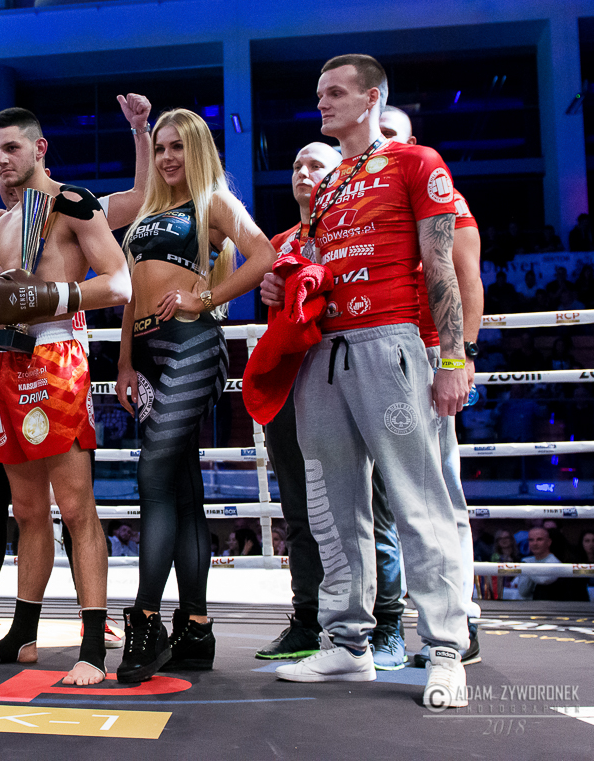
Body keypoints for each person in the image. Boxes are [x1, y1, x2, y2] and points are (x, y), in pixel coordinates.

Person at [260, 55, 471, 709]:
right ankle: (347, 644)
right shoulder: (327, 185)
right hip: (324, 353)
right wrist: (282, 285)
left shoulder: (417, 162)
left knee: (417, 501)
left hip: (392, 344)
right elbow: (315, 264)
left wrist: (453, 359)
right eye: (319, 92)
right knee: (333, 504)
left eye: (335, 92)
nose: (322, 102)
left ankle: (445, 650)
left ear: (371, 97)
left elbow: (442, 265)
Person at [0, 94, 152, 648]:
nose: (2, 159)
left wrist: (49, 295)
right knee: (27, 510)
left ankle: (93, 643)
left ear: (39, 148)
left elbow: (119, 283)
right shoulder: (1, 225)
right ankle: (19, 635)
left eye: (11, 148)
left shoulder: (74, 203)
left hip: (56, 360)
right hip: (2, 364)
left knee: (75, 507)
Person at [113, 107, 275, 683]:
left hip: (191, 347)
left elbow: (264, 255)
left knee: (154, 477)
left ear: (199, 150)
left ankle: (145, 620)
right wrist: (124, 361)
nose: (166, 157)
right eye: (160, 147)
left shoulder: (214, 201)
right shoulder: (148, 212)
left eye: (177, 146)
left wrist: (203, 299)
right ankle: (196, 628)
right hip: (147, 355)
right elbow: (131, 292)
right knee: (181, 492)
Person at [379, 105, 487, 669]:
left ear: (412, 140)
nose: (382, 145)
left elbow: (466, 278)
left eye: (391, 135)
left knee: (439, 488)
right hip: (374, 355)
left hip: (426, 352)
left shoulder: (442, 194)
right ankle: (387, 623)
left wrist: (457, 357)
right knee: (388, 499)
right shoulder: (357, 193)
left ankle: (459, 617)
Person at [254, 142, 341, 664]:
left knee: (365, 506)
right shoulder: (280, 242)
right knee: (297, 507)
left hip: (344, 378)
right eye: (296, 166)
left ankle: (382, 622)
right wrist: (270, 291)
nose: (303, 173)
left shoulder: (353, 233)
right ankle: (306, 619)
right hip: (291, 384)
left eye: (316, 166)